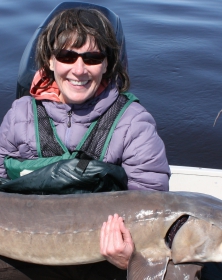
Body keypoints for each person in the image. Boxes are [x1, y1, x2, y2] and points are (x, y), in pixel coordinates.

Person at [0, 7, 170, 280]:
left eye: (92, 58)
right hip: (26, 248)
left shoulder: (134, 123)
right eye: (67, 56)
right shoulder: (19, 115)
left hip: (103, 257)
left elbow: (153, 205)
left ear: (107, 64)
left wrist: (131, 256)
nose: (78, 70)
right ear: (50, 61)